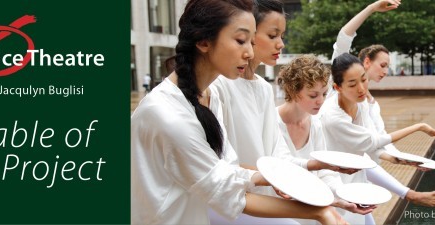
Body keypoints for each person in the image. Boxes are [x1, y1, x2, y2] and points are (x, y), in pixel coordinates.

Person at [130, 0, 345, 224]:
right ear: (204, 41)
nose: (250, 53)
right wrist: (318, 212)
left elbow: (227, 170)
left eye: (252, 42)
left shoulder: (208, 99)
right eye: (241, 41)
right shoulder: (168, 115)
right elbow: (227, 193)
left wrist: (273, 179)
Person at [328, 0, 435, 209]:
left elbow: (377, 145)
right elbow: (343, 38)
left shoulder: (368, 104)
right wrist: (372, 8)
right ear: (366, 62)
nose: (385, 71)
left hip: (356, 180)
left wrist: (404, 159)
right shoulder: (336, 82)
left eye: (387, 67)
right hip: (334, 184)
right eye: (382, 65)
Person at [275, 55, 381, 225]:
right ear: (293, 92)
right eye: (313, 95)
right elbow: (282, 164)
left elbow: (325, 173)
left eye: (324, 94)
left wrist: (345, 197)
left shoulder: (315, 124)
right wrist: (320, 165)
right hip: (281, 212)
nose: (321, 101)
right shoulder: (273, 122)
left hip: (313, 211)